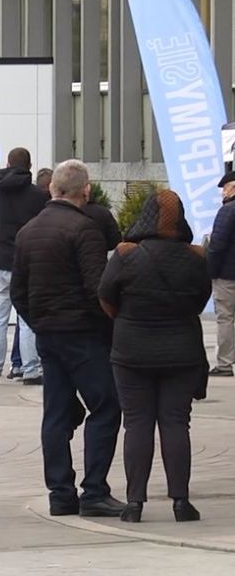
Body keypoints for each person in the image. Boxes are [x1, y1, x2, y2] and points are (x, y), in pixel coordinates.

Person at [11, 159, 124, 518]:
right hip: (83, 334)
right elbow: (98, 288)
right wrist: (109, 327)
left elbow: (17, 292)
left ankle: (60, 492)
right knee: (106, 406)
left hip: (48, 334)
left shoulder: (28, 231)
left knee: (56, 414)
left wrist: (40, 321)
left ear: (52, 189)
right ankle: (94, 491)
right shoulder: (85, 229)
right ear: (85, 190)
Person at [98, 190, 210, 524]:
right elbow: (200, 299)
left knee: (136, 425)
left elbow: (105, 295)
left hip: (132, 350)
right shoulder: (197, 256)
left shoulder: (125, 253)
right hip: (182, 349)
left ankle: (134, 503)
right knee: (176, 423)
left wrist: (125, 318)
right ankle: (181, 501)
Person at [0, 147, 47, 386]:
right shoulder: (38, 195)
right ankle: (30, 369)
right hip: (25, 260)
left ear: (8, 163)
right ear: (29, 166)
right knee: (26, 318)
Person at [206, 170, 235, 377]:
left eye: (225, 188)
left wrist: (209, 271)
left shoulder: (228, 211)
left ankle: (225, 363)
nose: (223, 193)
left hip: (227, 275)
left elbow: (217, 245)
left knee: (226, 317)